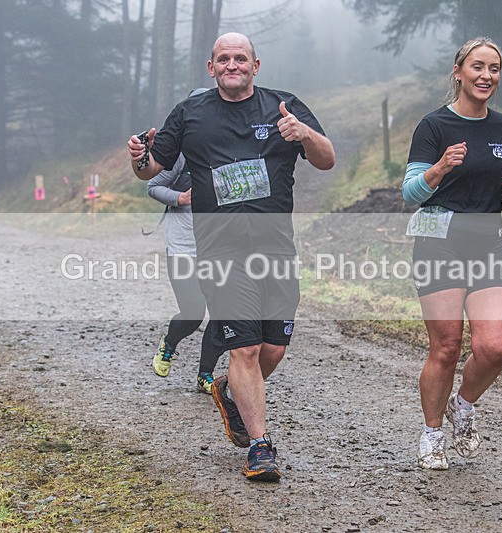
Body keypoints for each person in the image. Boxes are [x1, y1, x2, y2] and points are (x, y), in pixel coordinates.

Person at [128, 32, 335, 481]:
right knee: (246, 346)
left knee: (274, 349)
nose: (232, 65)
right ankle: (261, 447)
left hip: (276, 246)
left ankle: (229, 389)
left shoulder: (284, 106)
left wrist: (302, 133)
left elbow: (327, 159)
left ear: (255, 66)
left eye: (241, 58)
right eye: (224, 59)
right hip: (220, 248)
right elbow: (150, 169)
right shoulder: (190, 114)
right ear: (211, 67)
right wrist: (138, 157)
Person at [401, 36, 502, 470]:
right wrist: (439, 168)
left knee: (494, 349)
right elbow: (410, 192)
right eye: (477, 67)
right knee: (447, 346)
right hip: (439, 240)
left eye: (493, 69)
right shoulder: (434, 126)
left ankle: (463, 405)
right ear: (459, 71)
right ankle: (432, 433)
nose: (485, 76)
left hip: (487, 240)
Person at [147, 88, 223, 394]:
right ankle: (170, 342)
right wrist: (180, 196)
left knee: (222, 312)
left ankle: (205, 374)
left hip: (219, 245)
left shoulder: (228, 149)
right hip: (182, 246)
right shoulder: (180, 154)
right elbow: (153, 184)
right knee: (193, 312)